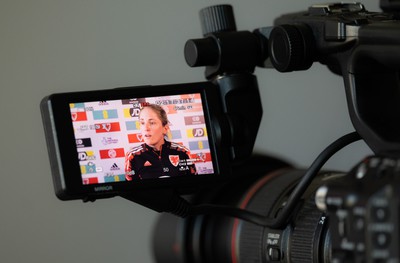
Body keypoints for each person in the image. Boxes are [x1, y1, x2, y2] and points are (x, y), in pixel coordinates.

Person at [125, 104, 197, 180]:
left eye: (152, 123)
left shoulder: (182, 152)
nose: (146, 128)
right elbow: (130, 190)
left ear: (165, 128)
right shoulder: (133, 156)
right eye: (142, 123)